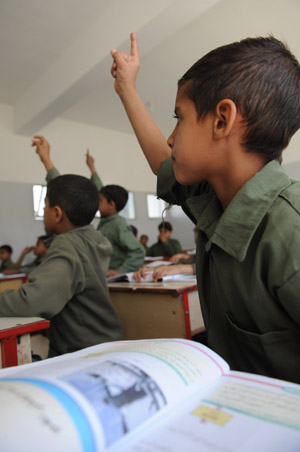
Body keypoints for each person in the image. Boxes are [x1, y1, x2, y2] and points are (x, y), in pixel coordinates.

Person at [110, 33, 300, 383]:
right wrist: (126, 88)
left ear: (221, 120)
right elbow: (161, 161)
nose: (170, 137)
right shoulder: (211, 196)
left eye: (178, 117)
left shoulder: (290, 231)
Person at [0, 172, 123, 357]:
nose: (43, 213)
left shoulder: (67, 244)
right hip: (103, 339)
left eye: (44, 207)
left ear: (57, 213)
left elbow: (33, 301)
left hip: (82, 350)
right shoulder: (96, 238)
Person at [85, 149, 145, 276]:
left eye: (99, 201)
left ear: (111, 205)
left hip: (114, 279)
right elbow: (99, 188)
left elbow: (138, 252)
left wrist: (120, 271)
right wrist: (92, 167)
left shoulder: (118, 225)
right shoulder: (106, 219)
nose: (96, 203)